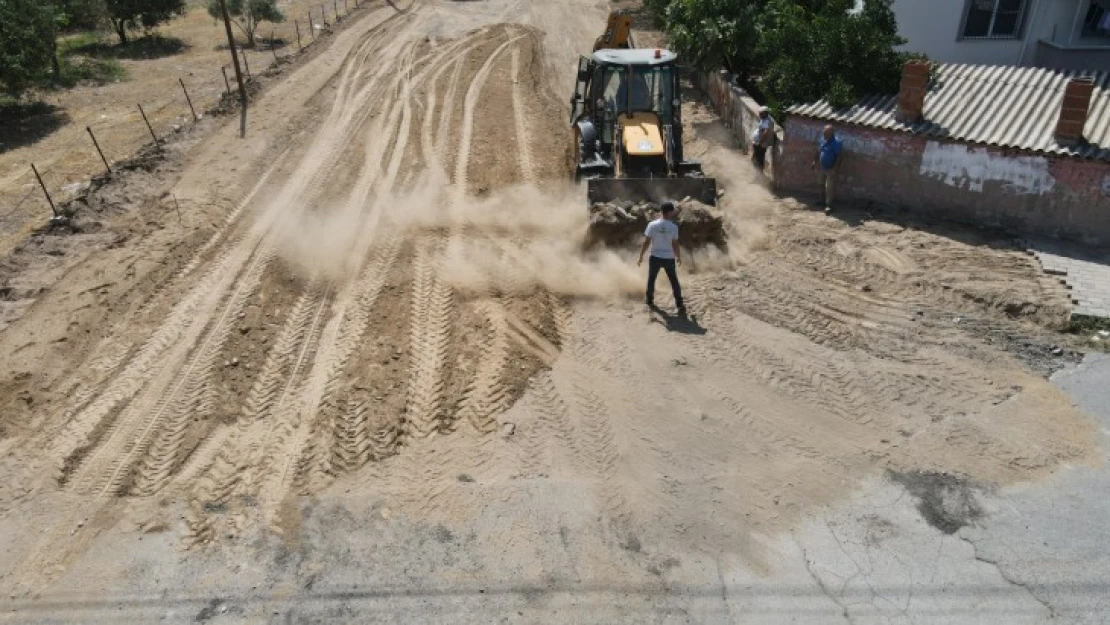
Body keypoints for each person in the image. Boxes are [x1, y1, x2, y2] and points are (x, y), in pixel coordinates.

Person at [637, 201, 685, 316]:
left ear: (661, 211)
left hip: (655, 257)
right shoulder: (673, 227)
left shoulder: (652, 225)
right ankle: (679, 304)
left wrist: (641, 256)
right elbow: (675, 244)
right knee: (674, 281)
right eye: (672, 211)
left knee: (651, 279)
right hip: (669, 258)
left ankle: (649, 301)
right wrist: (678, 256)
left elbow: (646, 242)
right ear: (670, 212)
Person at [812, 124, 843, 214]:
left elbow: (840, 157)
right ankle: (822, 201)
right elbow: (818, 151)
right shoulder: (823, 140)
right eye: (824, 133)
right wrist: (814, 161)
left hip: (831, 169)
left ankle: (829, 205)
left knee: (829, 187)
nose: (824, 135)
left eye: (826, 133)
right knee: (821, 184)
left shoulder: (837, 143)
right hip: (822, 167)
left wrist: (835, 169)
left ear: (832, 133)